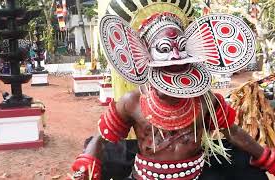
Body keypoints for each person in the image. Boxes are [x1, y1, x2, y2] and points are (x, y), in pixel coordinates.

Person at [69, 0, 274, 180]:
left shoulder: (205, 100)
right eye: (165, 49)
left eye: (181, 46)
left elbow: (233, 132)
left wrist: (266, 158)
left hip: (197, 174)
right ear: (146, 54)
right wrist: (87, 162)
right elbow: (102, 137)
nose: (176, 55)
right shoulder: (132, 102)